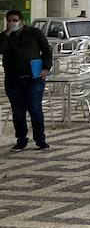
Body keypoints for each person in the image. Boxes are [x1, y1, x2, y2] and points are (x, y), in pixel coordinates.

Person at [1, 9, 52, 152]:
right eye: (9, 21)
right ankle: (21, 140)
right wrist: (7, 34)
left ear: (21, 21)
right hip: (13, 80)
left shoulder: (34, 33)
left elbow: (47, 50)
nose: (12, 23)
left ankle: (40, 139)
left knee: (35, 108)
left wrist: (46, 67)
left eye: (15, 20)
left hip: (33, 79)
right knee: (18, 112)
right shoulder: (5, 36)